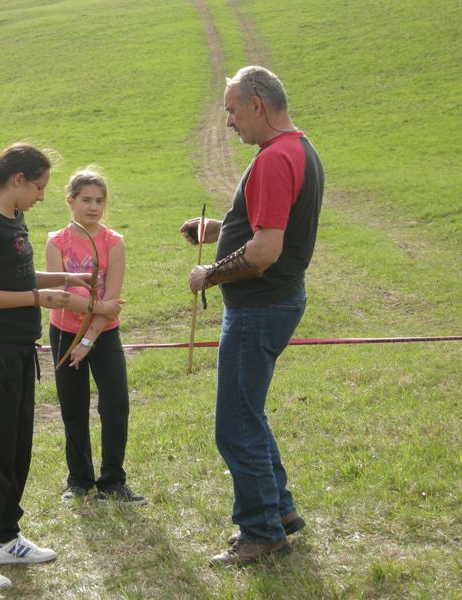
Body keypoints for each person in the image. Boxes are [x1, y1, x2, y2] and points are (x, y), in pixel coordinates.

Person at [182, 66, 324, 566]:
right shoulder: (297, 148)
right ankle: (279, 511)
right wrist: (220, 230)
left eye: (232, 110)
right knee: (248, 413)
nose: (228, 122)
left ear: (257, 105)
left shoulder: (274, 158)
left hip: (259, 308)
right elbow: (273, 223)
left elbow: (264, 252)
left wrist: (210, 274)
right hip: (275, 302)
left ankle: (261, 532)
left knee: (236, 425)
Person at [0, 143, 92, 592]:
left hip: (19, 349)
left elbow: (17, 278)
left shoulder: (16, 219)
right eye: (39, 186)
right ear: (17, 180)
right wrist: (38, 298)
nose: (42, 196)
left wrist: (65, 279)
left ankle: (6, 538)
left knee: (17, 447)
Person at [45, 167, 145, 505]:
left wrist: (89, 339)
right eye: (86, 200)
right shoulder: (56, 242)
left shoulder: (113, 243)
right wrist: (100, 306)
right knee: (73, 408)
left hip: (104, 335)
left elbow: (112, 303)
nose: (93, 207)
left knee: (115, 404)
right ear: (70, 201)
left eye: (99, 201)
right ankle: (79, 480)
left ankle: (113, 481)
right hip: (64, 334)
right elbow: (59, 295)